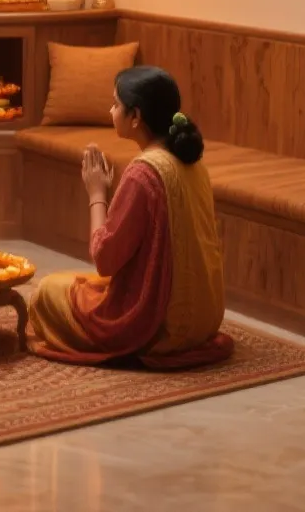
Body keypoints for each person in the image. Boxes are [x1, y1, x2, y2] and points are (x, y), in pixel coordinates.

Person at [30, 65, 233, 368]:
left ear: (135, 116)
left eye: (115, 104)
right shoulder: (192, 163)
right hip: (204, 319)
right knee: (77, 283)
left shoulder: (144, 174)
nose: (110, 110)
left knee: (47, 293)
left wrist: (97, 192)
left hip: (158, 327)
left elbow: (105, 259)